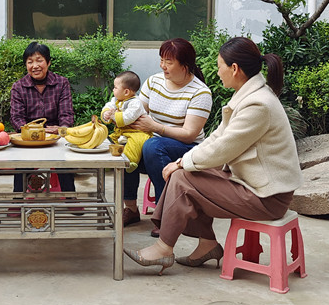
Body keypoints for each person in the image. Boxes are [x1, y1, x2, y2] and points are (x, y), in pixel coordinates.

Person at [123, 37, 304, 274]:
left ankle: (164, 247)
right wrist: (182, 163)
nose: (217, 72)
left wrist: (181, 163)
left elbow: (222, 148)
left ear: (235, 69)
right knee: (185, 174)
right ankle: (206, 244)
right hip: (253, 185)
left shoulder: (257, 104)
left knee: (183, 178)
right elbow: (217, 137)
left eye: (219, 66)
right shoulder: (249, 95)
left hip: (267, 197)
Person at [121, 38, 213, 237]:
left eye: (169, 61)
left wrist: (155, 127)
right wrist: (117, 112)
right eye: (161, 60)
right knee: (126, 148)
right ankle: (131, 208)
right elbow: (136, 110)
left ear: (185, 65)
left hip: (186, 150)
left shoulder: (200, 92)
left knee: (153, 146)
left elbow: (189, 135)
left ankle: (167, 215)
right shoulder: (154, 82)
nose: (162, 66)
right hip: (155, 147)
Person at [9, 41, 75, 192]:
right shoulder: (18, 87)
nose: (35, 66)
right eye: (30, 62)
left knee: (65, 156)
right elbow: (16, 117)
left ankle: (71, 197)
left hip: (56, 135)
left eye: (39, 60)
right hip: (28, 136)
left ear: (48, 62)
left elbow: (67, 114)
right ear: (26, 65)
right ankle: (18, 199)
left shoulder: (62, 83)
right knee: (22, 162)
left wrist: (62, 129)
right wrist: (32, 131)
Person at [100, 71, 151, 173]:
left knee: (134, 145)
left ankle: (130, 162)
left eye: (115, 87)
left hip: (137, 132)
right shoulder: (116, 100)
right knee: (108, 141)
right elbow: (109, 106)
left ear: (126, 92)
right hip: (122, 132)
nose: (113, 90)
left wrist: (114, 116)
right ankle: (108, 162)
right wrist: (106, 114)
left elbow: (128, 117)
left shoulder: (136, 103)